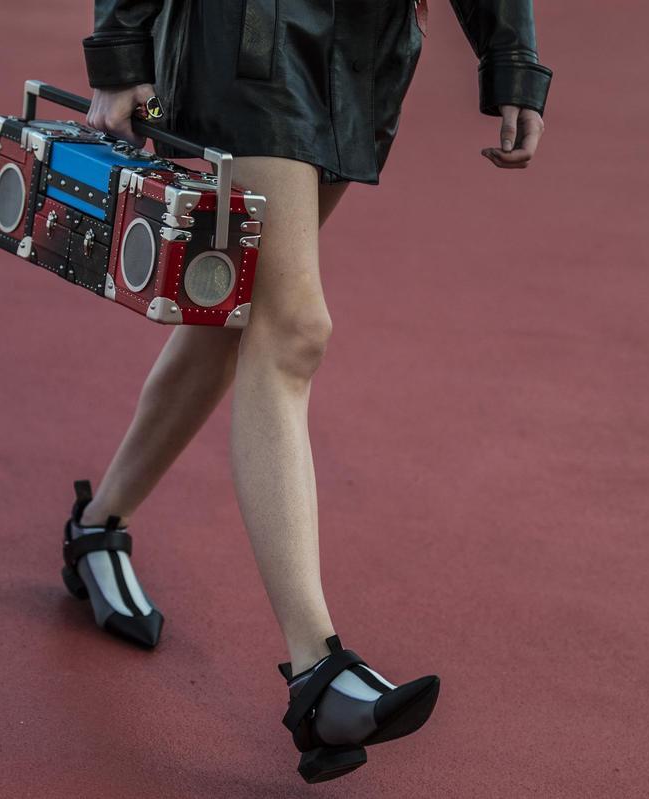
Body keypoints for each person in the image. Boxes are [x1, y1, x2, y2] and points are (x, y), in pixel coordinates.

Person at [58, 0, 552, 783]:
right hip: (251, 38)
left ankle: (95, 528)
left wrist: (511, 56)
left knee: (237, 315)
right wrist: (122, 54)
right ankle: (318, 671)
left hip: (366, 50)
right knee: (293, 330)